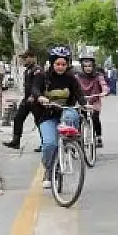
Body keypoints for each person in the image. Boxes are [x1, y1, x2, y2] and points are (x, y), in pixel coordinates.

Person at [31, 46, 85, 189]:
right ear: (52, 63)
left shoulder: (71, 78)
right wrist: (41, 97)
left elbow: (79, 93)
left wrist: (85, 105)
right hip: (47, 115)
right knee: (49, 145)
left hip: (66, 112)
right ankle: (49, 170)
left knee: (71, 114)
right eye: (57, 64)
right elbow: (35, 89)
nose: (60, 67)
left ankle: (71, 141)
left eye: (63, 64)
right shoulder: (42, 76)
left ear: (67, 65)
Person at [4, 51, 44, 151]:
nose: (24, 60)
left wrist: (33, 97)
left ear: (33, 58)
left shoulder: (38, 71)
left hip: (35, 101)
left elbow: (37, 86)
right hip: (26, 100)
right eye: (23, 58)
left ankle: (45, 143)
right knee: (18, 118)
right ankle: (16, 141)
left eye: (26, 58)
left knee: (40, 122)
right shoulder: (27, 70)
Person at [75, 51, 108, 148]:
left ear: (93, 66)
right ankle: (78, 138)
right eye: (85, 66)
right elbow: (73, 86)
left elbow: (104, 85)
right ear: (82, 66)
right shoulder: (77, 77)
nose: (88, 68)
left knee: (95, 118)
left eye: (89, 66)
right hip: (82, 101)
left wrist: (104, 92)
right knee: (79, 118)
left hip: (95, 101)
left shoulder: (98, 76)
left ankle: (98, 137)